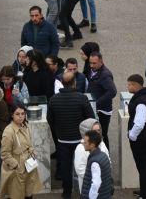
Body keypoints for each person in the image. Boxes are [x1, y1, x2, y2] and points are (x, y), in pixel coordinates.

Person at [49, 70, 95, 199]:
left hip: (62, 140)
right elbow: (90, 118)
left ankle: (67, 192)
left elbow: (50, 120)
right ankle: (84, 190)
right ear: (74, 83)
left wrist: (59, 130)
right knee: (82, 166)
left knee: (65, 167)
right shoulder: (81, 98)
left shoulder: (53, 99)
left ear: (62, 83)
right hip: (80, 140)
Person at [0, 105, 42, 199]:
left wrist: (32, 150)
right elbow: (4, 153)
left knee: (29, 192)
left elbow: (28, 143)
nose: (21, 116)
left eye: (23, 113)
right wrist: (16, 165)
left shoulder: (25, 125)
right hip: (17, 165)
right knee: (17, 194)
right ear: (12, 115)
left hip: (29, 164)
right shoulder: (8, 132)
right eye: (17, 114)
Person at [126, 73, 146, 199]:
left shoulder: (141, 102)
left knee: (142, 167)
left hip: (140, 140)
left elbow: (139, 124)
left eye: (129, 85)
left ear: (135, 85)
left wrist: (132, 136)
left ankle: (145, 194)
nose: (127, 87)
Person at [73, 119, 107, 195]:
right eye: (94, 131)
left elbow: (108, 161)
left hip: (103, 184)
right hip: (88, 186)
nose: (97, 133)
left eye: (98, 130)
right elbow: (80, 169)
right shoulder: (81, 148)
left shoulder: (102, 143)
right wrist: (96, 179)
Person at [80, 130, 114, 198]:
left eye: (85, 142)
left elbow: (96, 184)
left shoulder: (95, 162)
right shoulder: (103, 155)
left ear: (92, 145)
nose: (83, 144)